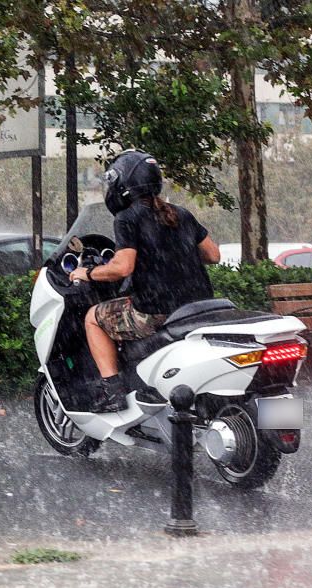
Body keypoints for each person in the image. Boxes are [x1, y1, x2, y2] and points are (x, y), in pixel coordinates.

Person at [68, 150, 221, 413]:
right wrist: (174, 251)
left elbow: (123, 266)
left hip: (155, 311)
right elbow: (213, 255)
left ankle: (112, 391)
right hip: (196, 308)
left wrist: (87, 273)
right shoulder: (180, 213)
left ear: (123, 184)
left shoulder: (127, 217)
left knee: (93, 317)